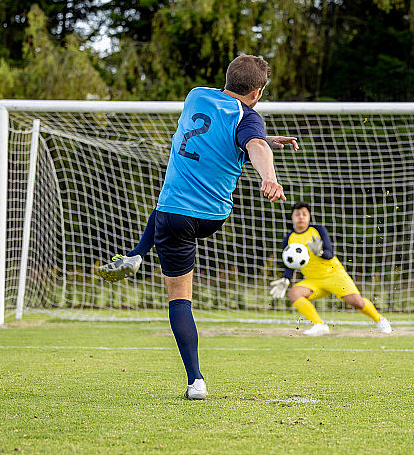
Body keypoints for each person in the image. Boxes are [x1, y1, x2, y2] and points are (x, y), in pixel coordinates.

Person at [100, 55, 297, 400]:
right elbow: (252, 142)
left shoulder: (195, 96)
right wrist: (269, 176)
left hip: (175, 216)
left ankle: (196, 381)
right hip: (213, 217)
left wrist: (265, 139)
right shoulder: (248, 118)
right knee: (164, 210)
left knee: (179, 297)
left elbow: (250, 141)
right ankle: (136, 254)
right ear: (257, 92)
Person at [269, 201, 392, 336]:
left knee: (357, 302)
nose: (301, 217)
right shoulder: (289, 239)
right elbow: (291, 263)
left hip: (335, 275)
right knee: (294, 293)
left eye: (304, 214)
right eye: (297, 214)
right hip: (313, 281)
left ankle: (380, 319)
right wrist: (286, 278)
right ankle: (319, 325)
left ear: (309, 216)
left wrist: (320, 253)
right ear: (292, 217)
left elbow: (330, 254)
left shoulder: (318, 231)